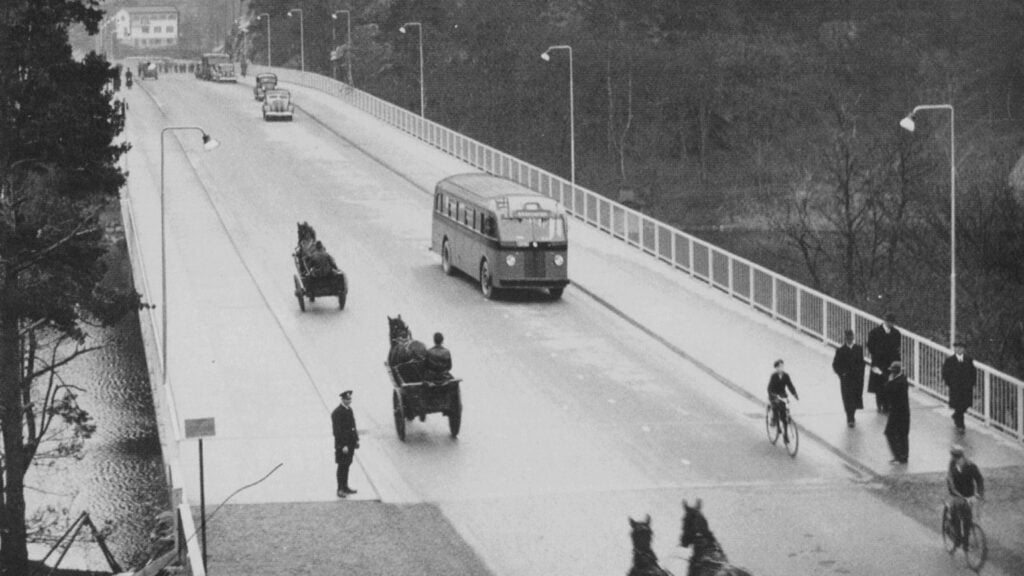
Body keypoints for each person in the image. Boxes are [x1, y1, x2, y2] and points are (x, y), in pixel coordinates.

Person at [947, 445, 984, 550]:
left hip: (968, 495)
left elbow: (979, 479)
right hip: (956, 494)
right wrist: (957, 495)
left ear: (962, 457)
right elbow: (949, 480)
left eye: (958, 458)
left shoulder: (971, 466)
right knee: (955, 513)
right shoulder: (952, 465)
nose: (957, 460)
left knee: (967, 518)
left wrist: (978, 494)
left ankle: (966, 542)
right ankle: (957, 537)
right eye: (955, 458)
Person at [867, 313, 902, 414]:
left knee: (889, 383)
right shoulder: (875, 332)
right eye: (889, 322)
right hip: (878, 362)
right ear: (885, 321)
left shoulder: (896, 333)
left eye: (892, 322)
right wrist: (877, 355)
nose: (891, 324)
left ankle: (887, 405)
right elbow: (870, 346)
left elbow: (897, 348)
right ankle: (880, 403)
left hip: (891, 362)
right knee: (879, 384)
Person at [832, 329, 866, 427]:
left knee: (855, 398)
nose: (849, 339)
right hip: (846, 379)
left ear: (853, 337)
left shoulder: (858, 349)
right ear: (845, 338)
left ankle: (852, 414)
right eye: (847, 337)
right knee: (847, 398)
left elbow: (861, 363)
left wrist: (860, 374)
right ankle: (849, 417)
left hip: (857, 379)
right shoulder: (840, 350)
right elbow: (835, 365)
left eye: (851, 337)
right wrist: (842, 374)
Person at [943, 342, 977, 434]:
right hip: (956, 388)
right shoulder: (950, 360)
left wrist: (972, 383)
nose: (958, 350)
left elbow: (973, 372)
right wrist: (950, 384)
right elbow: (945, 373)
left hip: (966, 388)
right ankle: (960, 425)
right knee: (959, 406)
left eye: (961, 348)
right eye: (957, 348)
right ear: (954, 349)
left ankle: (956, 416)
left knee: (964, 405)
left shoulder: (968, 360)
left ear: (964, 349)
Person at [331, 390, 359, 498]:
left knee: (347, 465)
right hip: (343, 445)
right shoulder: (337, 412)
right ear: (342, 399)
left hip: (350, 443)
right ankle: (340, 489)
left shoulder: (349, 410)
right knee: (342, 466)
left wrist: (356, 440)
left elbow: (353, 426)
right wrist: (343, 445)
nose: (349, 401)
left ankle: (345, 486)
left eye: (350, 399)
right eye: (347, 399)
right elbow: (337, 431)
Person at [767, 360, 799, 443]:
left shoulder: (786, 376)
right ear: (776, 368)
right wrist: (773, 396)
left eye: (782, 366)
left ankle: (785, 435)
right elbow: (769, 388)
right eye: (779, 367)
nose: (781, 368)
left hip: (782, 395)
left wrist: (794, 393)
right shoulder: (773, 376)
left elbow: (790, 385)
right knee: (775, 407)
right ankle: (774, 420)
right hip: (774, 395)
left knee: (784, 416)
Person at [884, 361, 910, 464]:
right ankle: (900, 456)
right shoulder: (901, 379)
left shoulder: (901, 381)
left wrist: (889, 382)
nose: (891, 373)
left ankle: (901, 456)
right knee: (899, 434)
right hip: (897, 412)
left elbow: (891, 391)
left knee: (898, 434)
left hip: (900, 413)